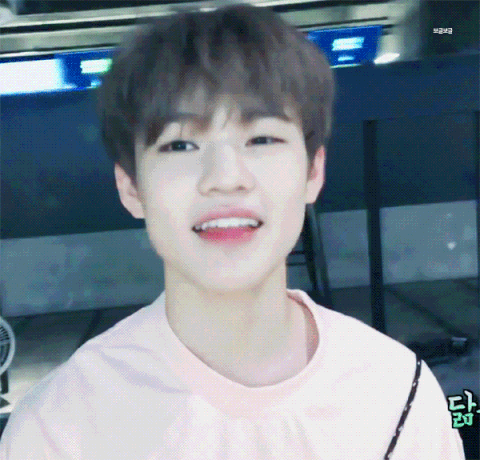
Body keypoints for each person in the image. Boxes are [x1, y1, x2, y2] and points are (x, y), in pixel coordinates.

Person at [0, 3, 465, 459]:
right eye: (180, 145)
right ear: (131, 187)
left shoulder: (397, 394)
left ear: (313, 171)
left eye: (261, 139)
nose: (225, 177)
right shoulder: (60, 426)